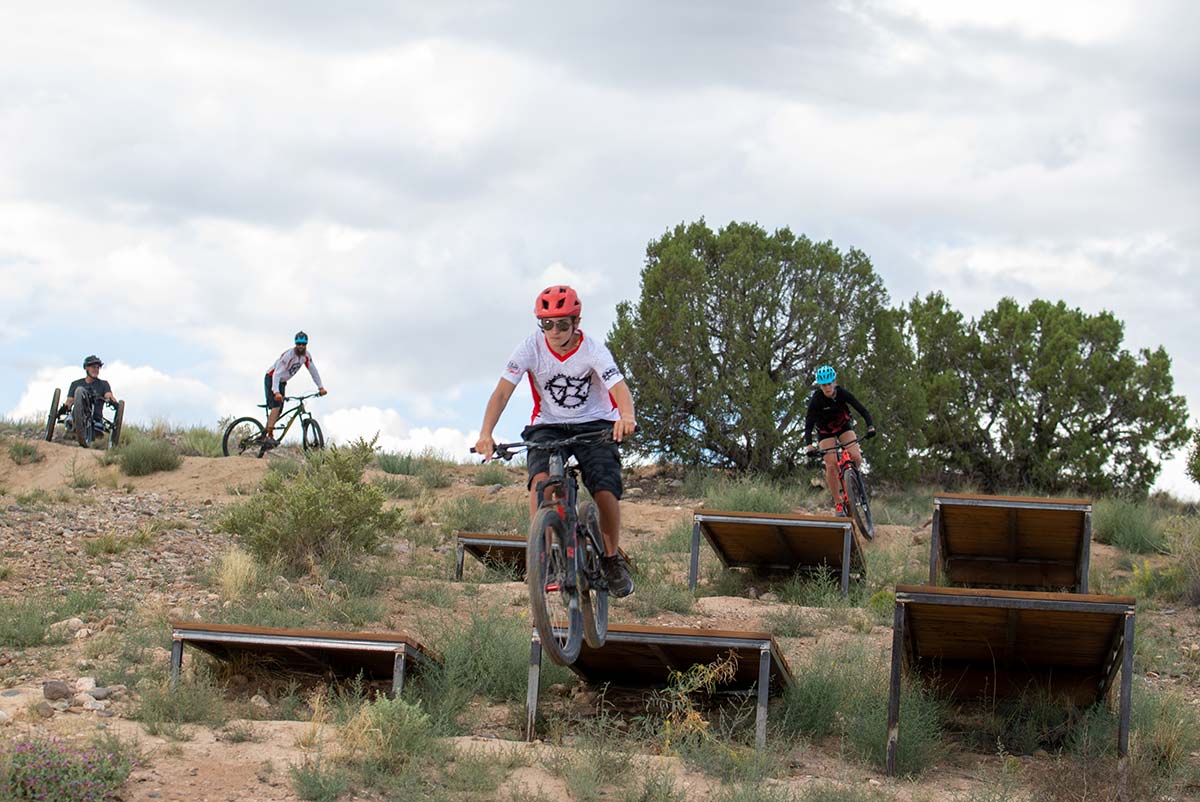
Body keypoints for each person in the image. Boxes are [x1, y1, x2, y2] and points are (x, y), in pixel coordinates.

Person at [474, 285, 637, 597]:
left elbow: (619, 387)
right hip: (548, 424)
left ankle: (612, 558)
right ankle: (546, 556)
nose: (555, 330)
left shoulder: (593, 350)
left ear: (576, 322)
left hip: (595, 423)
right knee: (541, 481)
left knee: (604, 488)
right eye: (547, 323)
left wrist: (626, 417)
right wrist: (486, 433)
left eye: (563, 323)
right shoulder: (529, 348)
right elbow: (502, 392)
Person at [804, 365, 876, 516]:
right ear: (820, 386)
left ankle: (851, 481)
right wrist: (809, 444)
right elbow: (809, 422)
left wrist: (870, 426)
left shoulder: (842, 393)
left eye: (830, 383)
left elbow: (862, 409)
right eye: (824, 385)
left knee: (856, 456)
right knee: (830, 464)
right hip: (825, 431)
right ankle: (838, 502)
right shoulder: (817, 399)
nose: (828, 387)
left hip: (843, 426)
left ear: (834, 382)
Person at [264, 331, 327, 446]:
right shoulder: (288, 355)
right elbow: (276, 374)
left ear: (306, 344)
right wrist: (276, 392)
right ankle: (269, 436)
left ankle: (266, 431)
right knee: (276, 406)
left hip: (282, 382)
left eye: (303, 344)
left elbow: (313, 371)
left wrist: (321, 387)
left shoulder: (306, 356)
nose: (301, 346)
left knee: (280, 409)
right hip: (272, 378)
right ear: (295, 343)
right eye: (299, 344)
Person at [63, 355, 119, 434]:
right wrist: (64, 408)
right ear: (86, 368)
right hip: (77, 416)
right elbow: (69, 401)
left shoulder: (103, 384)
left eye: (98, 368)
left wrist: (112, 401)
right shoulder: (75, 384)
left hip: (96, 418)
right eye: (93, 367)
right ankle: (71, 420)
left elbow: (108, 395)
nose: (96, 370)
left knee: (98, 430)